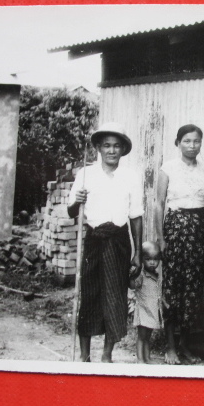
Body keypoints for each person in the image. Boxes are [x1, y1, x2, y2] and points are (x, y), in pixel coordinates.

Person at [68, 122, 143, 363]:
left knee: (115, 296)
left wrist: (138, 253)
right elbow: (72, 212)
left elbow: (136, 216)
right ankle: (84, 356)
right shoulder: (85, 174)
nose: (112, 150)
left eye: (117, 146)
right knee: (89, 294)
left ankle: (107, 355)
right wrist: (76, 200)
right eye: (107, 146)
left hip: (119, 241)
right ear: (98, 148)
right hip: (94, 240)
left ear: (123, 150)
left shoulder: (131, 177)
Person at [155, 124, 204, 364]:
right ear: (178, 143)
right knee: (173, 286)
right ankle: (170, 347)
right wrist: (161, 238)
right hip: (175, 231)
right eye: (187, 141)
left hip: (199, 232)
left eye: (196, 141)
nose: (192, 146)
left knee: (193, 289)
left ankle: (185, 345)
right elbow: (159, 203)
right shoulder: (168, 168)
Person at [131, 241, 163, 364]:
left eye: (155, 259)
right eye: (148, 259)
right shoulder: (141, 275)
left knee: (147, 337)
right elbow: (133, 285)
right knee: (142, 336)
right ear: (142, 259)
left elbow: (158, 293)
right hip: (144, 310)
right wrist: (131, 276)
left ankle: (147, 358)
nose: (152, 262)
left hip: (152, 311)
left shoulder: (156, 275)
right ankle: (140, 359)